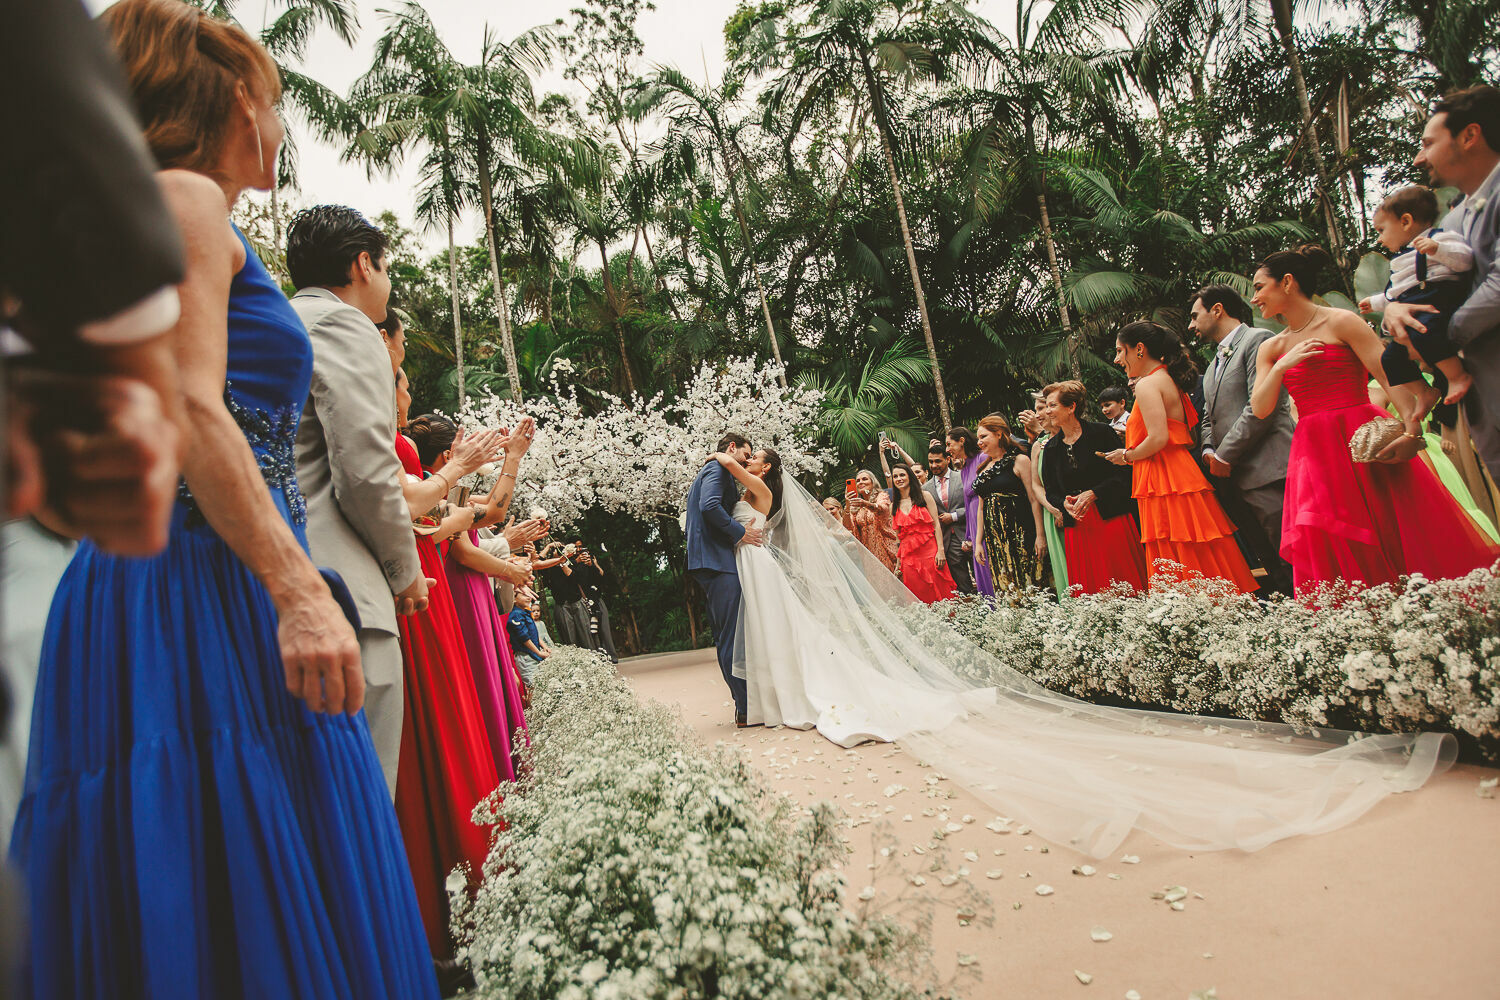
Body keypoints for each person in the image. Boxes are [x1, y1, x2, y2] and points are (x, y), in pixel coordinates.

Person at [12, 2, 440, 996]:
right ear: (237, 102)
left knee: (187, 868)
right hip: (209, 587)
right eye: (276, 99)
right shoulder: (188, 203)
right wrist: (296, 586)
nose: (281, 122)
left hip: (147, 587)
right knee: (244, 851)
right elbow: (193, 410)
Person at [713, 442, 1456, 858]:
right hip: (761, 570)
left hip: (762, 565)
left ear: (766, 471)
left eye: (752, 460)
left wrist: (728, 457)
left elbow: (748, 480)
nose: (739, 462)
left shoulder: (761, 488)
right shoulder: (764, 493)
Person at [288, 204, 439, 796]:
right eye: (386, 268)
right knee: (362, 789)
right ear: (361, 265)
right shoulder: (344, 326)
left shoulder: (274, 321)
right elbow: (364, 471)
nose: (388, 283)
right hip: (343, 584)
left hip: (276, 578)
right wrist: (405, 572)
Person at [1248, 245, 1499, 591]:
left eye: (1259, 287)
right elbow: (1259, 408)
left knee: (1391, 524)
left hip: (1361, 434)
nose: (1255, 299)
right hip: (1314, 450)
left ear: (1287, 282)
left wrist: (1412, 432)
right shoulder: (1271, 347)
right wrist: (1281, 367)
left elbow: (1386, 376)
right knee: (1335, 533)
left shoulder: (1341, 321)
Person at [390, 392, 501, 959]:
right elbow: (422, 525)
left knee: (452, 721)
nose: (406, 392)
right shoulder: (395, 446)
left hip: (424, 576)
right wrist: (455, 498)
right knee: (438, 726)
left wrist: (498, 467)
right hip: (420, 586)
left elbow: (479, 515)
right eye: (402, 377)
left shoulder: (404, 448)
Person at [1384, 85, 1500, 481]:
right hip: (1485, 403)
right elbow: (1428, 283)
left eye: (1429, 142)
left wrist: (1439, 335)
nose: (1420, 157)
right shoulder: (1449, 224)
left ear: (1470, 136)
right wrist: (1397, 311)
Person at [408, 415, 531, 783]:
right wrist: (509, 570)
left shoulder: (450, 492)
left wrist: (513, 457)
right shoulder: (431, 491)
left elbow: (494, 509)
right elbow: (464, 546)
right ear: (449, 454)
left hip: (473, 592)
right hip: (457, 591)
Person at [1106, 321, 1260, 593]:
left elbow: (1158, 438)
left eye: (1120, 351)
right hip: (1181, 471)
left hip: (1162, 475)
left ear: (1139, 349)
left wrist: (1127, 455)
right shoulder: (1169, 379)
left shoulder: (1147, 384)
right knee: (1198, 542)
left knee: (1176, 543)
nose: (1118, 359)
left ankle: (1192, 609)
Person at [1190, 282, 1296, 596]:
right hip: (1233, 478)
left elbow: (1262, 406)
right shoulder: (1210, 369)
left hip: (1267, 469)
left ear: (1217, 310)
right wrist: (1208, 449)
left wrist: (1225, 455)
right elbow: (1207, 416)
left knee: (1290, 554)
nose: (1191, 325)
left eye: (1196, 316)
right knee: (1269, 561)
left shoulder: (1259, 340)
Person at [1358, 185, 1474, 409]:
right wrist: (1374, 302)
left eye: (1381, 230)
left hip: (1438, 301)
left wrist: (1438, 249)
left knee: (1423, 332)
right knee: (1390, 359)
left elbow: (1466, 260)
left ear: (1406, 222)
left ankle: (1457, 376)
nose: (1380, 239)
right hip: (1415, 306)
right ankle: (1424, 392)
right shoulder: (1401, 257)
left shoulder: (1439, 237)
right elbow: (1397, 294)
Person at [684, 432, 764, 727]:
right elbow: (709, 507)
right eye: (746, 453)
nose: (747, 459)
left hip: (710, 560)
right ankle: (745, 707)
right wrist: (740, 533)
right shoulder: (717, 469)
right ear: (732, 447)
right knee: (731, 634)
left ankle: (744, 704)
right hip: (716, 561)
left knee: (725, 635)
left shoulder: (715, 468)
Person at [1039, 381, 1149, 595]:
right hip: (1078, 528)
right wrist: (1063, 503)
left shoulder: (1101, 433)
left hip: (1112, 520)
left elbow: (1124, 475)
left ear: (1071, 407)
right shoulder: (1050, 449)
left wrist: (1094, 493)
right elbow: (1050, 491)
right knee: (1091, 592)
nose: (1047, 411)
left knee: (1126, 585)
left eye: (1052, 405)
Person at [971, 414, 1044, 595]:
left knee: (1029, 582)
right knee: (1006, 586)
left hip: (1021, 533)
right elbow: (981, 509)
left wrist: (1040, 535)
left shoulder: (1019, 460)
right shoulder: (982, 470)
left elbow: (1034, 499)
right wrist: (978, 542)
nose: (979, 442)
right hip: (996, 540)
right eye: (978, 438)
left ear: (999, 434)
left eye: (983, 437)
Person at [887, 464, 955, 602]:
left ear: (909, 477)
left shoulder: (925, 496)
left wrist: (940, 550)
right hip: (909, 559)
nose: (899, 479)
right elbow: (898, 538)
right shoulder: (892, 506)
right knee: (916, 594)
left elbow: (936, 524)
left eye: (902, 475)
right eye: (895, 476)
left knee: (940, 590)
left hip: (930, 553)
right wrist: (898, 564)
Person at [1023, 401, 1069, 598]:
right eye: (1037, 409)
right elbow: (1036, 485)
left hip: (1075, 508)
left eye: (1041, 408)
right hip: (1052, 512)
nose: (1038, 413)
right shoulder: (1037, 446)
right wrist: (1054, 509)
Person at [946, 426, 996, 598]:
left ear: (962, 441)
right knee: (980, 566)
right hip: (974, 522)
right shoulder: (964, 468)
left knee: (991, 566)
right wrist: (968, 537)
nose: (947, 449)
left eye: (949, 444)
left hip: (988, 517)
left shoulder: (983, 458)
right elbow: (967, 504)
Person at [923, 441, 975, 593]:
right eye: (931, 462)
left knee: (983, 576)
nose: (934, 465)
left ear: (948, 459)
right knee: (962, 585)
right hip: (948, 541)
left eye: (938, 461)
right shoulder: (925, 489)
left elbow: (975, 505)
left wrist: (954, 516)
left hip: (969, 533)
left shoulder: (963, 477)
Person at [842, 469, 900, 576]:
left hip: (886, 548)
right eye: (858, 481)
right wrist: (848, 504)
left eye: (865, 479)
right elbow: (847, 526)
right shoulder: (855, 505)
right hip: (868, 554)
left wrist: (865, 503)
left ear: (873, 482)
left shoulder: (882, 495)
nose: (861, 482)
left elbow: (882, 509)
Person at [570, 542, 620, 663]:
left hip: (597, 599)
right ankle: (597, 658)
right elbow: (574, 580)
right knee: (590, 630)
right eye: (576, 547)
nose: (579, 549)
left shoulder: (591, 562)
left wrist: (593, 564)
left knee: (604, 628)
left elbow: (601, 578)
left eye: (580, 546)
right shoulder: (572, 563)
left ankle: (611, 655)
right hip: (583, 602)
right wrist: (577, 562)